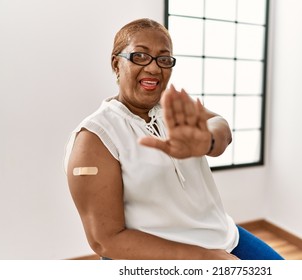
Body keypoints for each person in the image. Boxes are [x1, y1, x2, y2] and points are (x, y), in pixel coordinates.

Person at [64, 18, 283, 260]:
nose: (154, 68)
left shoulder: (173, 106)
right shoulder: (94, 138)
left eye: (164, 59)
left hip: (223, 236)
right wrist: (205, 258)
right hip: (156, 255)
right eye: (140, 56)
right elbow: (106, 241)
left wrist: (207, 140)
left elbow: (221, 127)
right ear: (116, 64)